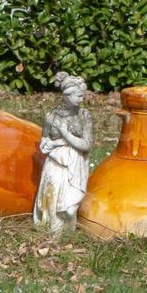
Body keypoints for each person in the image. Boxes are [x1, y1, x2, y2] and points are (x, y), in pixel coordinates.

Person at [34, 72, 92, 235]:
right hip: (55, 163)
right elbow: (44, 139)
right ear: (67, 95)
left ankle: (68, 232)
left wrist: (64, 133)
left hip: (75, 162)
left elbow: (86, 145)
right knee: (53, 199)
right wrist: (49, 143)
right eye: (79, 96)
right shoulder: (51, 116)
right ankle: (55, 235)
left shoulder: (84, 116)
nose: (82, 99)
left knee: (70, 208)